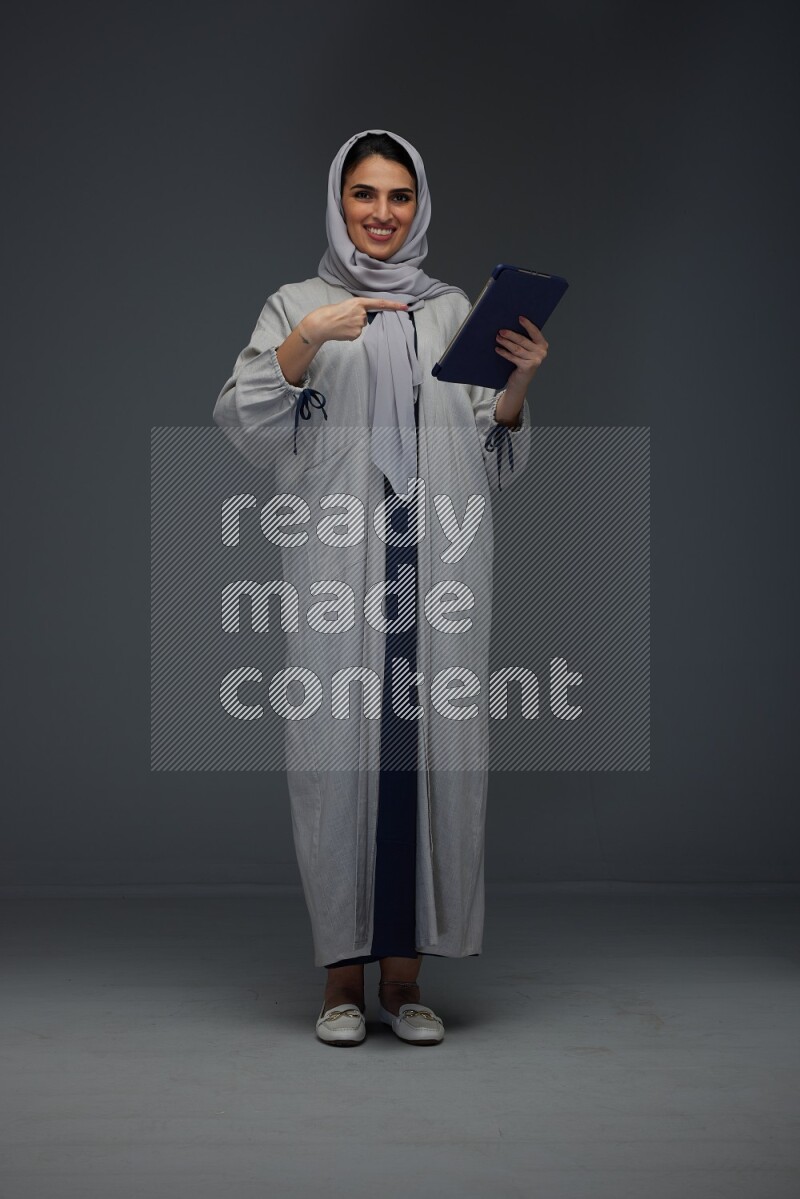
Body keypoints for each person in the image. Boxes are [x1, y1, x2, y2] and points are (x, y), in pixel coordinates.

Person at [213, 128, 548, 1046]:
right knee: (336, 757)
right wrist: (309, 340)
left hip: (434, 561)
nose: (382, 213)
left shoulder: (451, 312)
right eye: (364, 193)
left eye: (399, 196)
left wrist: (517, 383)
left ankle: (405, 981)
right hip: (340, 561)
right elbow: (245, 422)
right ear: (339, 202)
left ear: (419, 205)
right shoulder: (298, 303)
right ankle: (339, 980)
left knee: (428, 759)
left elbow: (495, 452)